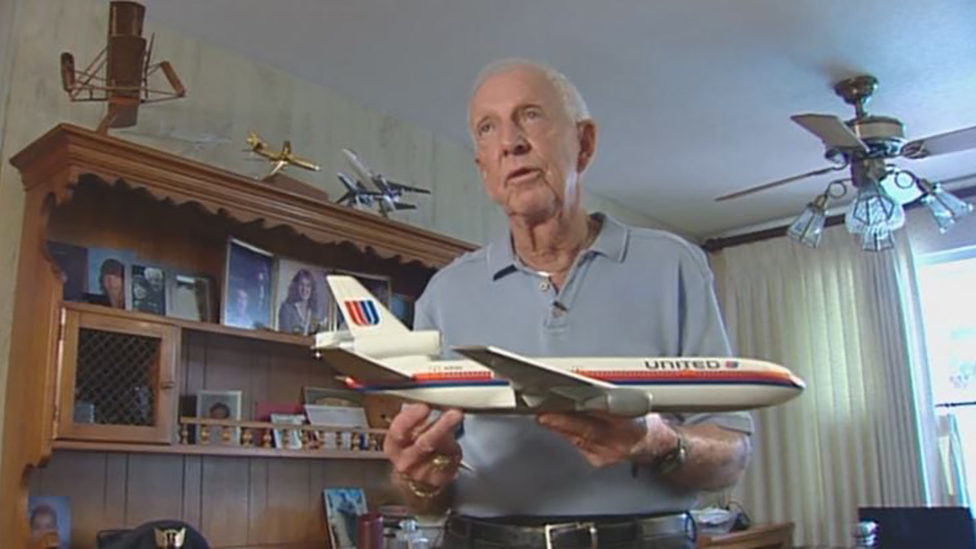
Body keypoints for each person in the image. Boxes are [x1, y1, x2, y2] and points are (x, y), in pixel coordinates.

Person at [383, 59, 753, 549]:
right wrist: (417, 481)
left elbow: (732, 454)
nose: (510, 142)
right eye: (487, 128)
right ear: (484, 169)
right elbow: (423, 494)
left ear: (585, 143)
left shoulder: (675, 265)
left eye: (530, 115)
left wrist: (657, 442)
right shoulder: (444, 292)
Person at [278, 269, 321, 335]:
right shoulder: (286, 308)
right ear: (295, 286)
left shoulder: (313, 311)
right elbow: (285, 335)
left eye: (308, 286)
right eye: (301, 284)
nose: (304, 289)